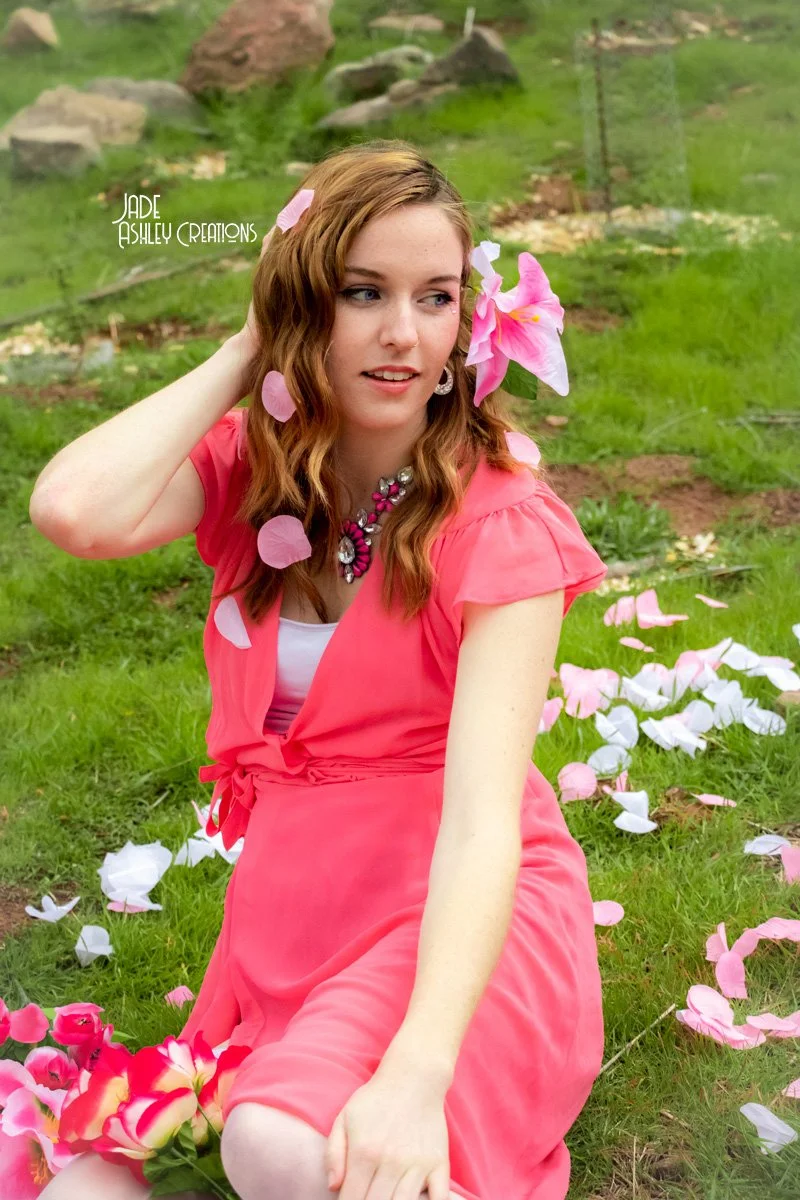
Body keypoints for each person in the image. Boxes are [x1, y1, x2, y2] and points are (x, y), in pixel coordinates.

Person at [30, 139, 608, 1200]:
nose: (402, 334)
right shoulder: (256, 469)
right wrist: (248, 349)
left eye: (435, 297)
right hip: (292, 912)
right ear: (304, 307)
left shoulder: (502, 523)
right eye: (359, 292)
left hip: (454, 923)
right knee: (83, 1191)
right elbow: (74, 509)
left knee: (284, 1149)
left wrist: (417, 1073)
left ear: (465, 322)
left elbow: (484, 822)